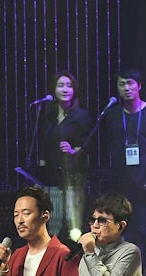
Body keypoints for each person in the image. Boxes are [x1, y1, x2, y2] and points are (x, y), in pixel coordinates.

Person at [101, 69, 146, 244]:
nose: (126, 88)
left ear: (139, 86)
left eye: (130, 83)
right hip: (122, 183)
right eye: (122, 84)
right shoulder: (113, 115)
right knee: (124, 231)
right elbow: (110, 146)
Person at [39, 71, 92, 240]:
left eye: (69, 86)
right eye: (60, 85)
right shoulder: (48, 116)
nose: (65, 89)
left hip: (72, 177)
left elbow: (87, 145)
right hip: (51, 177)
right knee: (53, 223)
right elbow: (42, 146)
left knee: (72, 226)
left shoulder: (81, 116)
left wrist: (72, 150)